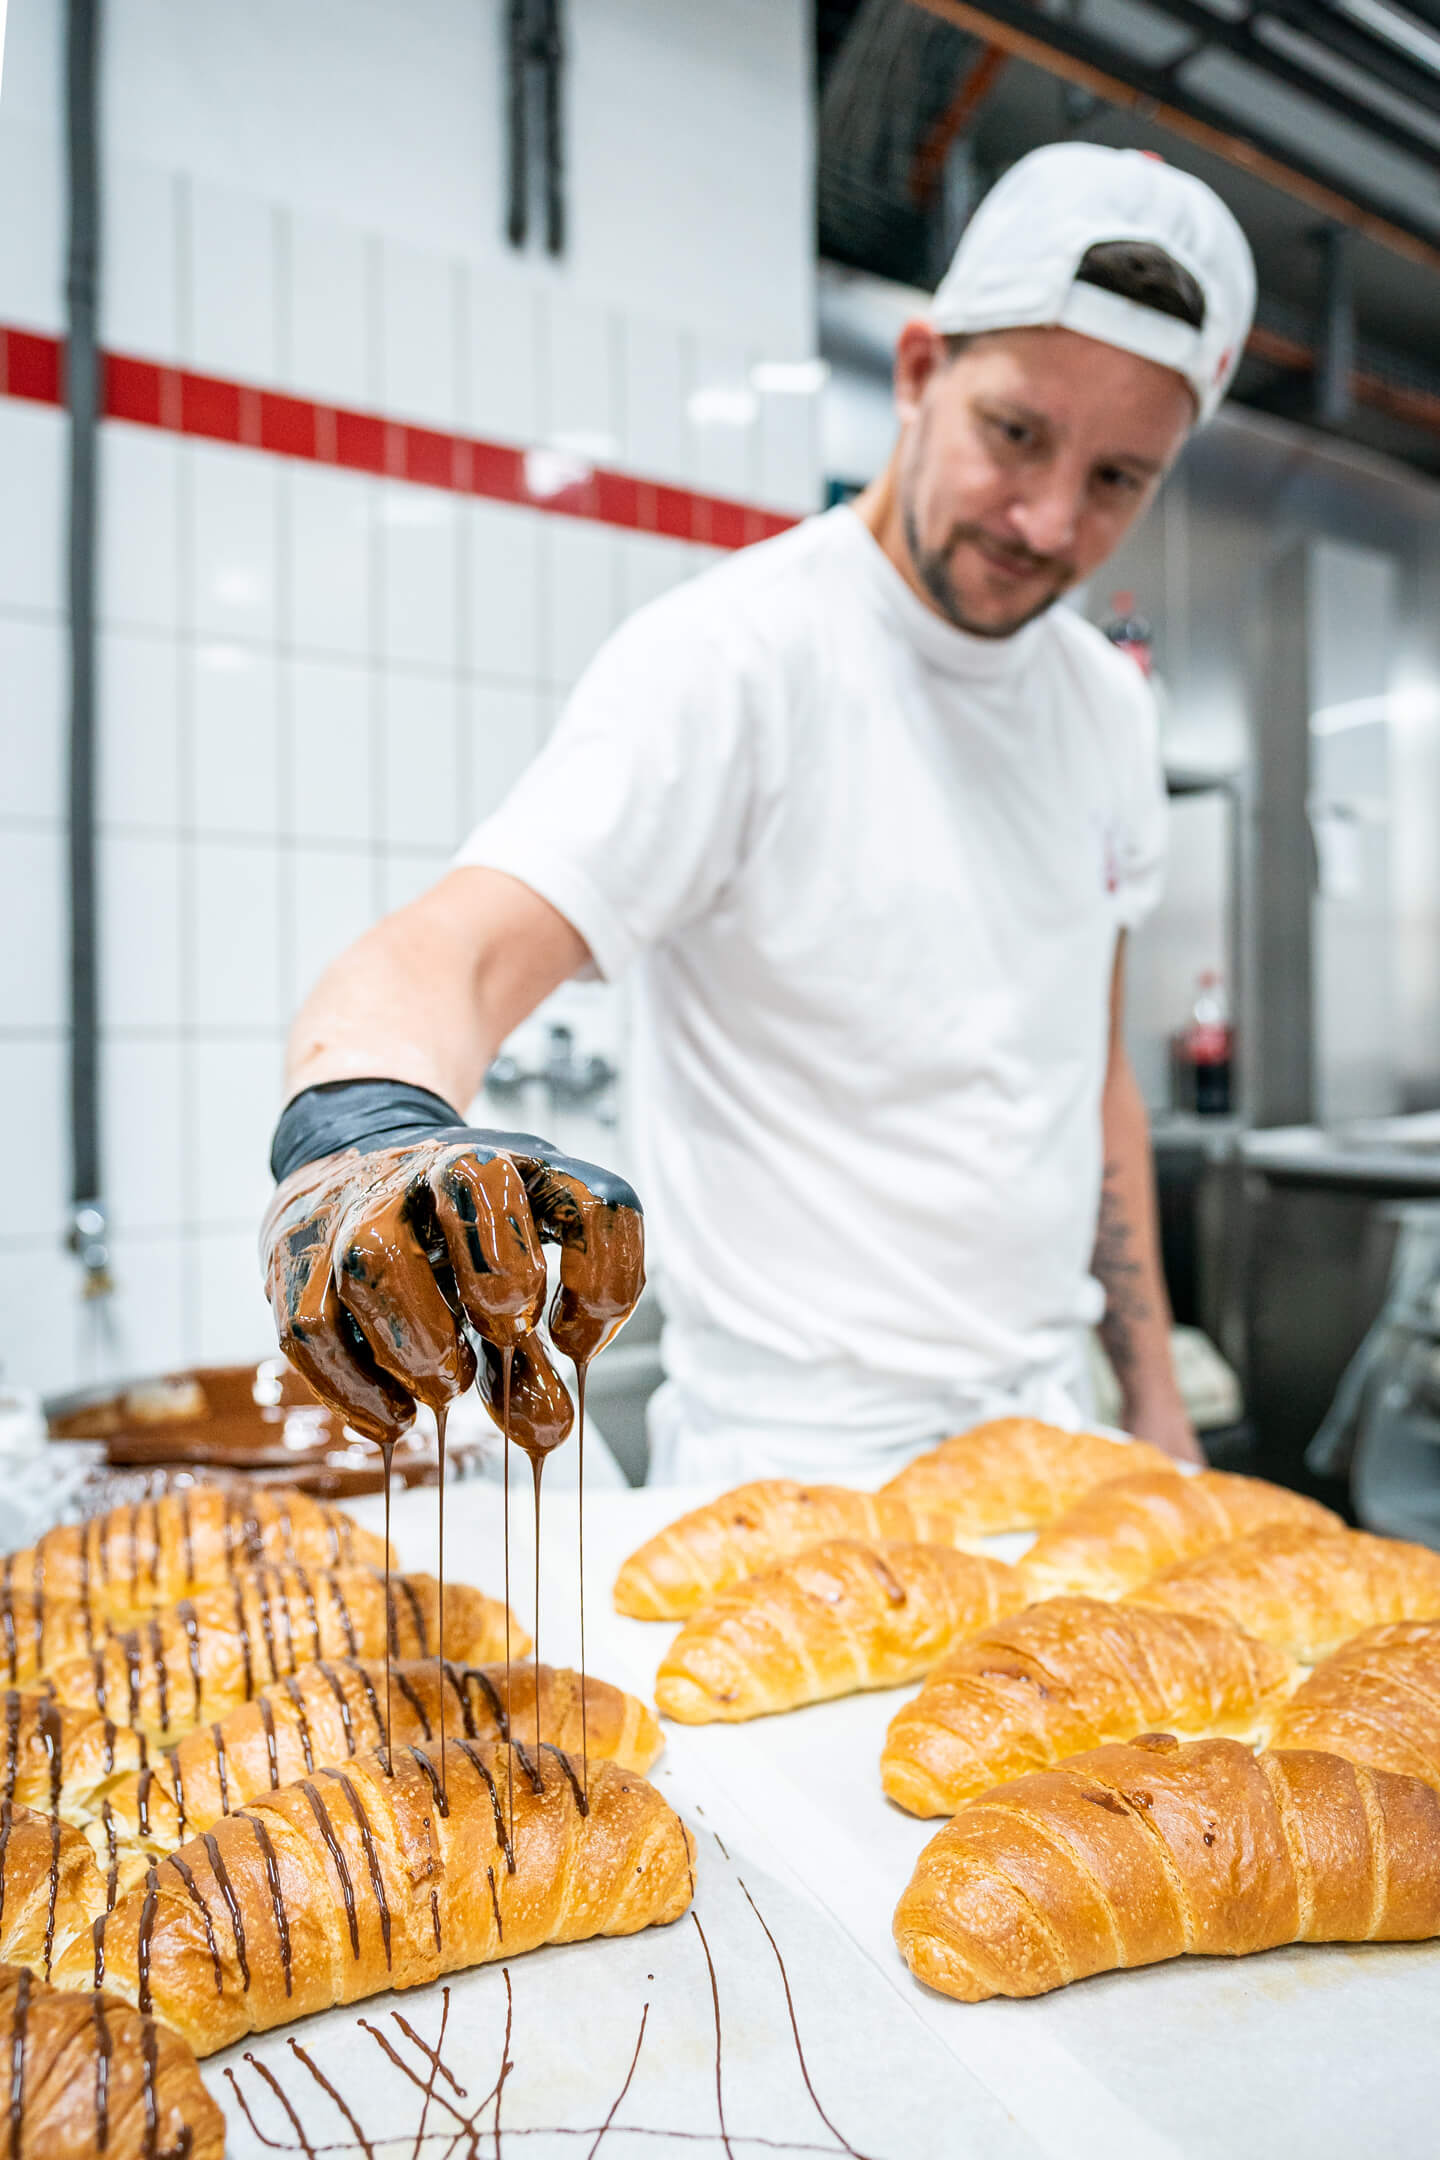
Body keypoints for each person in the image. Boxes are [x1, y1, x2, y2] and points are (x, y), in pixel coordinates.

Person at [263, 142, 1256, 1484]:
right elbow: (454, 951)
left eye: (1118, 479)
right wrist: (361, 1130)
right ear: (919, 373)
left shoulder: (1106, 707)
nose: (1046, 518)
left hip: (1050, 1444)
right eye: (1016, 433)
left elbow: (1092, 1068)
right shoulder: (736, 659)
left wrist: (1155, 1395)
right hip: (795, 1475)